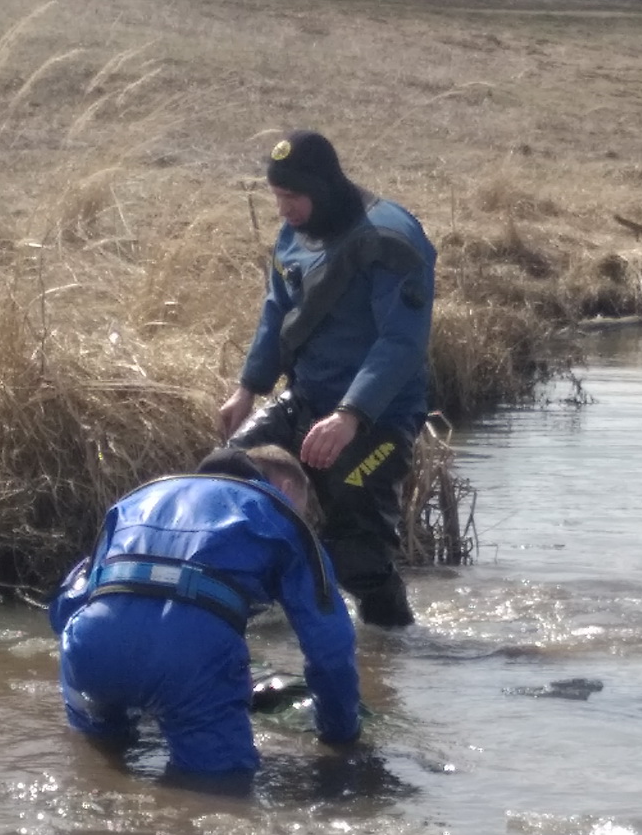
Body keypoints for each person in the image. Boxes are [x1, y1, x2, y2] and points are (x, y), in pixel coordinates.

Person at [219, 130, 437, 629]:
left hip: (378, 416)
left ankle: (390, 646)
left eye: (291, 197)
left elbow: (401, 343)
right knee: (226, 469)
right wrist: (248, 387)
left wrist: (350, 416)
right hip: (306, 396)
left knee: (358, 553)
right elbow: (278, 310)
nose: (282, 210)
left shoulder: (391, 239)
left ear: (323, 187)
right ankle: (257, 601)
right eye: (276, 197)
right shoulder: (296, 231)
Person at [48, 444, 361, 776]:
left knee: (99, 767)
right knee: (219, 791)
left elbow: (64, 608)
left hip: (89, 650)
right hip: (189, 655)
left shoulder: (136, 499)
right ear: (286, 488)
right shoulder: (279, 512)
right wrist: (340, 734)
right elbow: (331, 646)